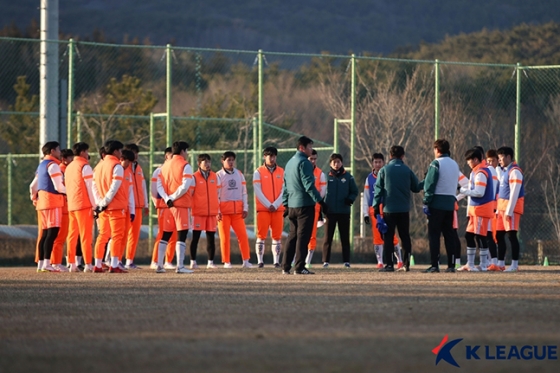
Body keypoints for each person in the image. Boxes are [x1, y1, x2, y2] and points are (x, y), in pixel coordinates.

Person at [373, 145, 423, 272]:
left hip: (388, 209)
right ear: (402, 156)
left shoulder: (384, 170)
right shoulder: (407, 170)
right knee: (405, 236)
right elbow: (416, 188)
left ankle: (389, 265)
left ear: (390, 156)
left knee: (388, 237)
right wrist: (426, 180)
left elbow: (378, 190)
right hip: (404, 209)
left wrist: (375, 207)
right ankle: (406, 264)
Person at [282, 136, 326, 275]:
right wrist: (320, 201)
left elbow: (285, 186)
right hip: (304, 205)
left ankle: (285, 267)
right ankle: (300, 267)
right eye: (309, 147)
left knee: (292, 236)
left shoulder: (289, 163)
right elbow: (309, 185)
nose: (311, 150)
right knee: (303, 237)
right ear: (302, 147)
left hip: (292, 206)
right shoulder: (305, 163)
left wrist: (285, 204)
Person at [156, 141, 195, 274]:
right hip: (180, 205)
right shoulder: (185, 165)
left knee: (165, 235)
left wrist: (167, 198)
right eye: (186, 151)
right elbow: (185, 186)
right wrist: (172, 197)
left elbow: (159, 185)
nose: (187, 153)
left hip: (167, 206)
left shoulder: (164, 166)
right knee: (181, 234)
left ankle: (159, 265)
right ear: (183, 151)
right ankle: (180, 266)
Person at [423, 139, 460, 273]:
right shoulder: (455, 164)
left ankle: (434, 264)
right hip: (450, 203)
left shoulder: (436, 163)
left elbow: (430, 184)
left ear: (437, 150)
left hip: (437, 203)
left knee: (434, 235)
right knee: (449, 235)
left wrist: (426, 201)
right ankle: (451, 265)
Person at [92, 140, 129, 273]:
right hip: (115, 206)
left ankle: (97, 264)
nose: (121, 154)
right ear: (115, 151)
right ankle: (114, 265)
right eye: (120, 151)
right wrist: (105, 201)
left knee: (102, 236)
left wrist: (100, 202)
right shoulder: (117, 166)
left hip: (103, 207)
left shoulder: (98, 166)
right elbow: (114, 187)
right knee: (117, 236)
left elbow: (94, 186)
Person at [29, 141, 67, 272]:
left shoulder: (41, 165)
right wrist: (70, 192)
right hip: (53, 202)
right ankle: (47, 263)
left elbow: (32, 186)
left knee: (44, 234)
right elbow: (58, 186)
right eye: (58, 149)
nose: (60, 152)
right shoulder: (53, 165)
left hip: (42, 202)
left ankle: (41, 264)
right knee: (53, 232)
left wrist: (34, 197)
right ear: (52, 151)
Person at [362, 153, 403, 269]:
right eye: (375, 162)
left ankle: (399, 260)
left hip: (387, 208)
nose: (378, 164)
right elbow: (366, 197)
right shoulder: (369, 178)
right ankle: (380, 261)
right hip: (374, 209)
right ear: (372, 164)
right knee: (377, 236)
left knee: (391, 235)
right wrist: (365, 213)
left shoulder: (388, 175)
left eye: (380, 162)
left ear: (384, 162)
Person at [456, 148, 494, 271]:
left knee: (480, 236)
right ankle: (470, 264)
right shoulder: (476, 172)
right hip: (476, 210)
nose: (468, 163)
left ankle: (484, 264)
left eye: (469, 160)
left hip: (481, 209)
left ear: (476, 159)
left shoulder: (481, 173)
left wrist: (462, 190)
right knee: (469, 236)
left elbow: (479, 192)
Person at [216, 151, 253, 268]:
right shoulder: (218, 175)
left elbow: (244, 192)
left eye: (232, 160)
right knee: (225, 237)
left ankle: (246, 260)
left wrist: (245, 207)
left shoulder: (239, 174)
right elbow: (215, 195)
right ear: (223, 161)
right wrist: (217, 211)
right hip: (224, 213)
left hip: (237, 212)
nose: (231, 162)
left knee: (242, 236)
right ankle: (226, 261)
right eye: (228, 160)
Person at [321, 153, 358, 268]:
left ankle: (346, 261)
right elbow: (321, 192)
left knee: (344, 238)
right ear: (330, 164)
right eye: (334, 162)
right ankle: (325, 261)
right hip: (330, 212)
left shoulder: (348, 177)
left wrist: (350, 199)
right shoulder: (326, 177)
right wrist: (323, 205)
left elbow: (354, 191)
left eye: (338, 162)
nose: (336, 164)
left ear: (342, 163)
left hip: (344, 212)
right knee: (328, 238)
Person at [65, 142, 96, 273]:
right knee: (86, 235)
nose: (88, 154)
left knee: (72, 235)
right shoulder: (85, 166)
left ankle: (71, 263)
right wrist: (95, 205)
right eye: (87, 151)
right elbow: (90, 188)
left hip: (72, 204)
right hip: (83, 204)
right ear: (83, 152)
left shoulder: (69, 166)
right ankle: (88, 263)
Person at [253, 147, 285, 268]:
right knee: (261, 235)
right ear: (264, 157)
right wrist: (268, 204)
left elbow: (284, 189)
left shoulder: (282, 171)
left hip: (278, 208)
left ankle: (276, 261)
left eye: (273, 156)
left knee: (277, 236)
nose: (271, 158)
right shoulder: (258, 172)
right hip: (263, 209)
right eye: (269, 156)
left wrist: (276, 204)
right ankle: (260, 261)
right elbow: (257, 190)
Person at [495, 146, 524, 272]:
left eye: (501, 158)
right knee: (499, 235)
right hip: (501, 208)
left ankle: (514, 265)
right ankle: (500, 263)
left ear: (508, 157)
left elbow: (514, 192)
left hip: (509, 209)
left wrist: (509, 210)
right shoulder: (505, 171)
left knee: (512, 235)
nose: (499, 160)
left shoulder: (515, 171)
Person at [190, 154, 221, 269]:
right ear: (199, 164)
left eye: (209, 162)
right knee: (195, 238)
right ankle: (193, 261)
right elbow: (190, 195)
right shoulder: (194, 177)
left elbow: (218, 195)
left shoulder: (215, 176)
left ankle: (210, 262)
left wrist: (218, 210)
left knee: (211, 239)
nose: (207, 164)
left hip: (212, 213)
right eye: (205, 162)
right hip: (198, 212)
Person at [149, 147, 177, 270]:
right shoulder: (159, 171)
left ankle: (168, 261)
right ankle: (155, 260)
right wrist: (157, 203)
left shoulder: (176, 170)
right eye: (172, 155)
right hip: (163, 206)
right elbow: (153, 190)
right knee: (162, 233)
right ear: (166, 156)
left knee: (174, 234)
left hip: (175, 206)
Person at [124, 143, 149, 270]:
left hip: (138, 206)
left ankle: (129, 260)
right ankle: (111, 260)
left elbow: (143, 186)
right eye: (134, 152)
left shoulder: (138, 168)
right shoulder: (123, 167)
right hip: (126, 206)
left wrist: (146, 204)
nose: (136, 155)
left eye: (137, 152)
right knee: (120, 234)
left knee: (134, 234)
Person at [50, 148, 74, 272]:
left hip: (67, 207)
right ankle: (55, 262)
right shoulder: (62, 170)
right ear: (64, 159)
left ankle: (59, 261)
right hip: (63, 207)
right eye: (70, 158)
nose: (72, 160)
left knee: (63, 236)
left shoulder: (66, 170)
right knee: (59, 237)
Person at [305, 149, 326, 268]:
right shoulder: (302, 170)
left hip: (314, 207)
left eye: (314, 159)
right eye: (310, 159)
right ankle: (296, 258)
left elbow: (322, 191)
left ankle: (308, 261)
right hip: (302, 207)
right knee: (299, 233)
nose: (313, 161)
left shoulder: (320, 173)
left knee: (312, 234)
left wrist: (316, 200)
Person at [485, 149, 500, 270]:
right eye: (488, 160)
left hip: (496, 208)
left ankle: (496, 261)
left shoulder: (497, 172)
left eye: (493, 160)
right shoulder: (490, 171)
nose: (490, 163)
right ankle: (491, 260)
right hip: (493, 207)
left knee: (493, 235)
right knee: (488, 234)